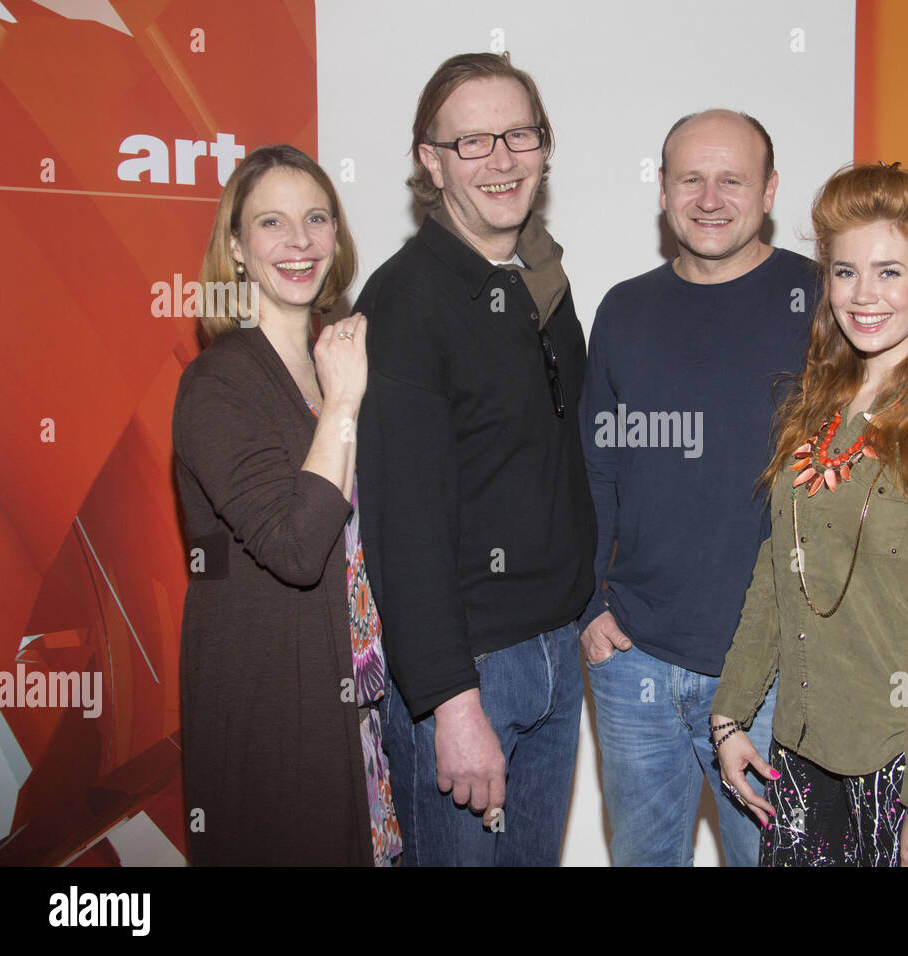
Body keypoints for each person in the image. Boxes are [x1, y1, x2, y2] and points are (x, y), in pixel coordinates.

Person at [580, 114, 908, 866]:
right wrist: (593, 608)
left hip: (858, 728)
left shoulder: (843, 324)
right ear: (661, 190)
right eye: (689, 179)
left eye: (731, 178)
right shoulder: (822, 387)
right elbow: (768, 551)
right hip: (750, 705)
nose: (864, 292)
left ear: (768, 192)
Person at [711, 162, 908, 867]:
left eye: (888, 271)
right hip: (803, 740)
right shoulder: (815, 404)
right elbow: (776, 572)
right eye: (845, 272)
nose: (863, 295)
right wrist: (730, 715)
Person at [355, 53, 595, 866]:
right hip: (469, 673)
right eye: (472, 142)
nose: (501, 159)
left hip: (556, 654)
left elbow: (561, 463)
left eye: (519, 134)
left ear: (544, 146)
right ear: (431, 161)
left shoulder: (542, 283)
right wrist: (451, 704)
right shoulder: (406, 302)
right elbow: (402, 526)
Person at [173, 144, 400, 865]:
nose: (299, 242)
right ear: (236, 249)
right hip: (277, 707)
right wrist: (340, 404)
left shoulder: (344, 359)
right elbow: (297, 549)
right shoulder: (218, 384)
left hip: (362, 701)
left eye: (316, 219)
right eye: (272, 224)